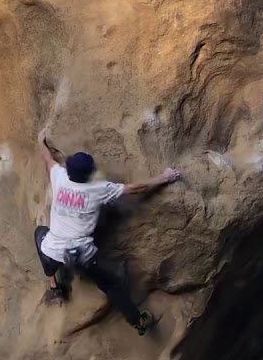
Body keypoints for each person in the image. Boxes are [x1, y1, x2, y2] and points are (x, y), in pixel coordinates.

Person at [34, 127, 181, 335]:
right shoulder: (98, 189)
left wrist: (41, 141)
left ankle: (53, 283)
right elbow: (137, 188)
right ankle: (137, 321)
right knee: (112, 286)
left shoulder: (59, 178)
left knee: (40, 234)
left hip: (54, 250)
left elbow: (48, 159)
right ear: (89, 175)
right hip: (81, 257)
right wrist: (165, 177)